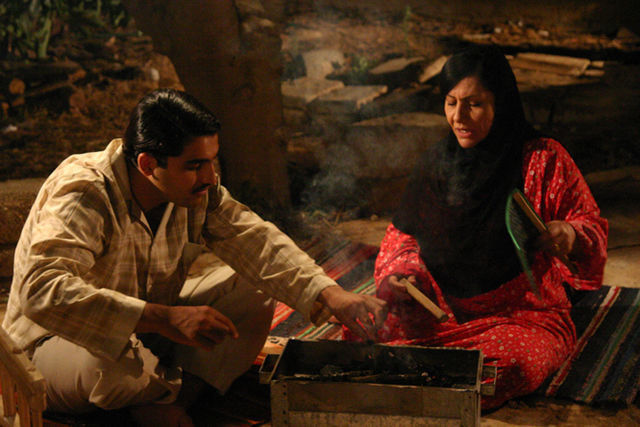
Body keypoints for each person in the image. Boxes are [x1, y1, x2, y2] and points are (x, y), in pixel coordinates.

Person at [3, 88, 387, 426]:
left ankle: (169, 400)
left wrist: (330, 294)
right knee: (107, 364)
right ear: (148, 165)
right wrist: (164, 318)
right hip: (55, 350)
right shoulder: (85, 191)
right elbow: (42, 290)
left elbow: (255, 241)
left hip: (149, 333)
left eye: (212, 161)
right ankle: (153, 399)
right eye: (195, 165)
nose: (209, 176)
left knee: (253, 286)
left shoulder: (196, 190)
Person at [344, 45, 608, 410]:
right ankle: (438, 381)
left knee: (513, 365)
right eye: (451, 102)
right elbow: (403, 235)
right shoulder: (436, 162)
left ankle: (410, 379)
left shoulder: (542, 159)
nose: (459, 117)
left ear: (502, 104)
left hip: (519, 315)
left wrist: (570, 234)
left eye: (474, 104)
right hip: (438, 309)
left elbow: (589, 224)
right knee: (357, 328)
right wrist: (402, 273)